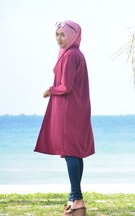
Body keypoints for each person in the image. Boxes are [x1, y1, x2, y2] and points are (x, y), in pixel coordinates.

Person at [34, 20, 95, 216]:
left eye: (63, 35)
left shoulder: (69, 56)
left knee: (70, 152)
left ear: (73, 36)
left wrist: (50, 90)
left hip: (69, 110)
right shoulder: (76, 53)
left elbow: (66, 87)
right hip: (77, 108)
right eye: (57, 35)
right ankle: (74, 197)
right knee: (75, 152)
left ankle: (76, 198)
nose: (60, 39)